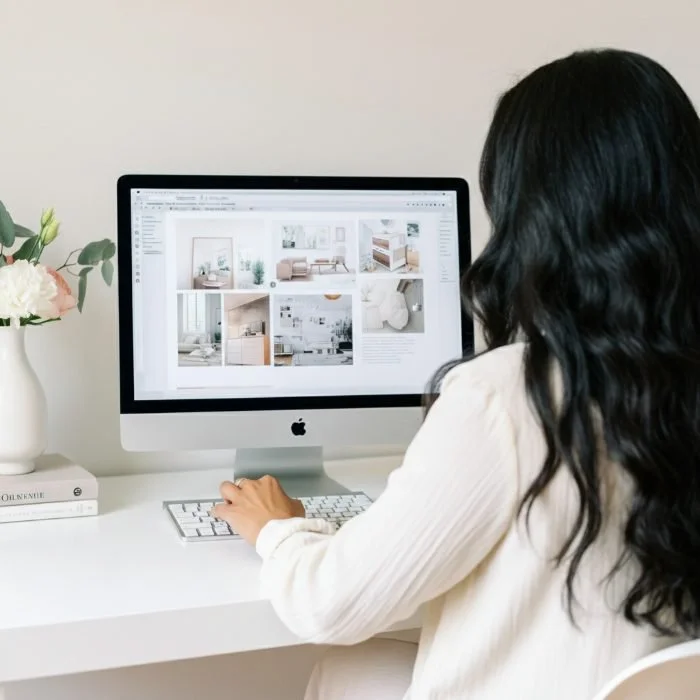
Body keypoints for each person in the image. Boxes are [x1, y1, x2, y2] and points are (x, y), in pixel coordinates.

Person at [212, 48, 700, 699]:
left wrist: (278, 529)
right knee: (354, 672)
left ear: (533, 214)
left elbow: (332, 603)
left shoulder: (506, 397)